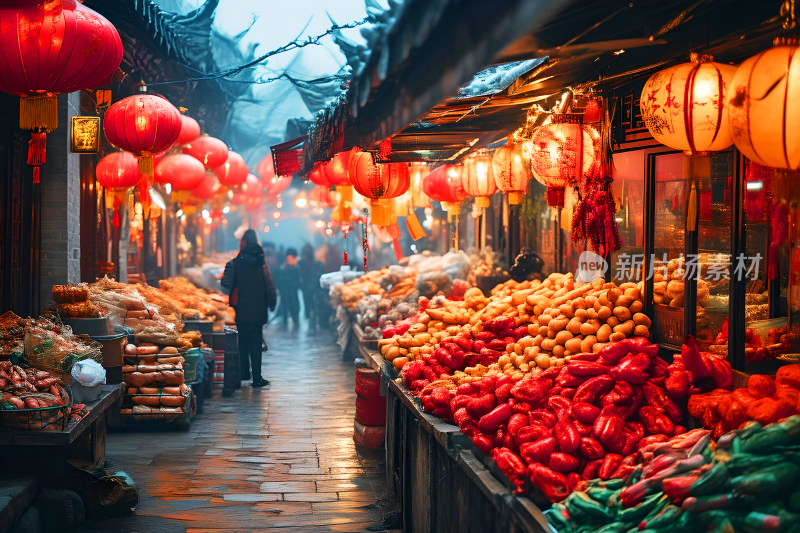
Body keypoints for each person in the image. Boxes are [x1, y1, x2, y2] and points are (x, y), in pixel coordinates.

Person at [221, 230, 277, 388]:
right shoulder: (262, 264)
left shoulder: (235, 263)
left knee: (243, 341)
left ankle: (244, 373)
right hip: (259, 309)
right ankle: (257, 378)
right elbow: (269, 285)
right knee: (256, 341)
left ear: (243, 242)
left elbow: (225, 285)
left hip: (241, 309)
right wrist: (272, 302)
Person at [298, 244, 325, 329]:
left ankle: (311, 318)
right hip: (311, 285)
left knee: (309, 303)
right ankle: (312, 318)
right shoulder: (313, 263)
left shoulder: (302, 263)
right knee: (312, 303)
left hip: (307, 286)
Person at [278, 247, 301, 327]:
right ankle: (286, 320)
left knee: (293, 305)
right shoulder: (283, 268)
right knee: (286, 305)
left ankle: (294, 319)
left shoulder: (296, 268)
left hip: (292, 291)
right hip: (286, 290)